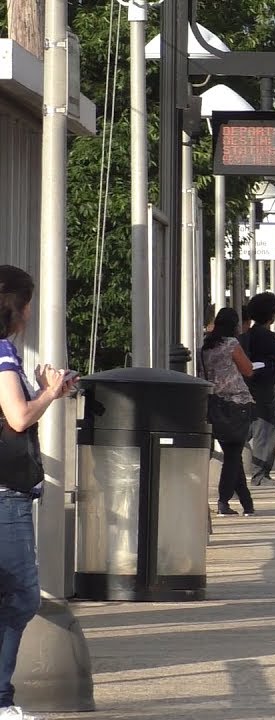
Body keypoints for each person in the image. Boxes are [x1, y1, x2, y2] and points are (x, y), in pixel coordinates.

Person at [0, 265, 76, 719]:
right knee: (20, 595)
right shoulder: (4, 353)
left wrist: (52, 393)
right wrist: (48, 393)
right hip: (5, 493)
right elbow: (18, 418)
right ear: (19, 308)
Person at [201, 308, 256, 516]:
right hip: (236, 404)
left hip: (214, 405)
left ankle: (247, 503)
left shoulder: (205, 347)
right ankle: (223, 501)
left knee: (233, 454)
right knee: (234, 455)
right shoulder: (231, 345)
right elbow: (248, 369)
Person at [238, 293, 275, 487]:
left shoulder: (245, 336)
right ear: (272, 316)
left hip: (246, 388)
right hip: (264, 390)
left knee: (246, 430)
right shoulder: (268, 337)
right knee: (265, 431)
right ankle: (260, 474)